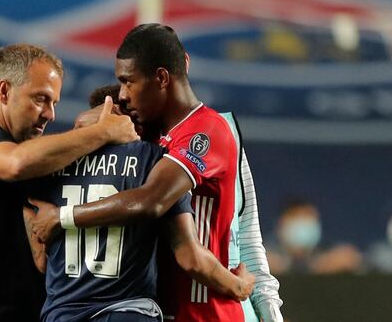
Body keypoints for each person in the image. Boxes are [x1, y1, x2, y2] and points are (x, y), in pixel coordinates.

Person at [31, 24, 283, 322]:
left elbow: (155, 201)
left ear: (162, 77)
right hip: (163, 311)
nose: (123, 95)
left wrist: (64, 217)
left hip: (208, 312)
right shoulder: (145, 139)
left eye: (129, 82)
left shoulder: (208, 130)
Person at [0, 43, 138, 322]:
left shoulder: (37, 159)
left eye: (54, 103)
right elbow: (16, 163)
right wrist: (103, 132)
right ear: (4, 91)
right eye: (41, 99)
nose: (50, 114)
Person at [24, 87, 255, 322]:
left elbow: (41, 260)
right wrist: (239, 286)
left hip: (63, 314)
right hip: (128, 312)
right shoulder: (155, 162)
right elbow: (189, 256)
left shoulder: (48, 167)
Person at [266, 200, 361, 275]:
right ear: (280, 224)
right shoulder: (262, 253)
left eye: (307, 216)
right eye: (295, 216)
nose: (302, 224)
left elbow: (351, 258)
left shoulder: (329, 252)